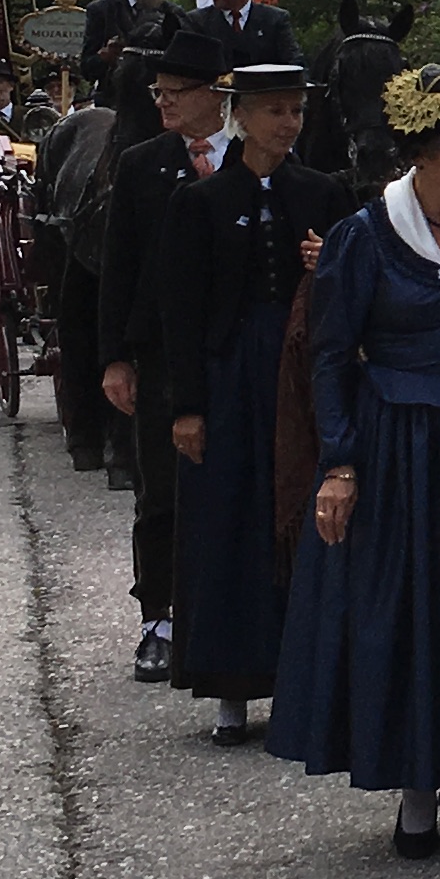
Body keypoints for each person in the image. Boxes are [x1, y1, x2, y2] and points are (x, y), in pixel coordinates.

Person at [274, 66, 440, 855]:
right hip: (401, 452)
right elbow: (329, 355)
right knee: (417, 613)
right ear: (422, 156)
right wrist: (341, 463)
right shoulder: (364, 236)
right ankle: (419, 789)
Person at [157, 60, 352, 746]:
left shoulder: (324, 193)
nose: (288, 124)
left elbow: (352, 287)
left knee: (299, 513)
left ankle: (310, 681)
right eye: (275, 111)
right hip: (233, 376)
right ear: (242, 116)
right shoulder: (200, 202)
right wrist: (188, 406)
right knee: (231, 519)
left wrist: (328, 261)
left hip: (298, 375)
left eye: (296, 111)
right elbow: (179, 313)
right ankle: (231, 686)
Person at [103, 26, 233, 679]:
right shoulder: (142, 165)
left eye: (176, 91)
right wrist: (115, 359)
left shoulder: (251, 159)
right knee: (161, 492)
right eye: (159, 91)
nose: (164, 103)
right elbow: (116, 270)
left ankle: (236, 618)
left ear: (216, 95)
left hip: (234, 351)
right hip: (158, 355)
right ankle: (158, 615)